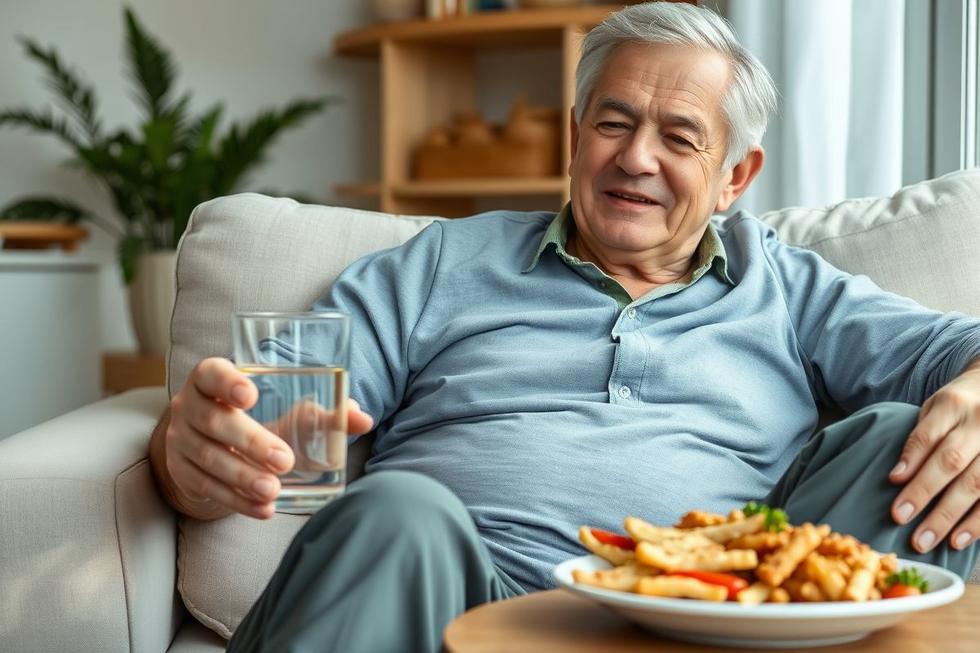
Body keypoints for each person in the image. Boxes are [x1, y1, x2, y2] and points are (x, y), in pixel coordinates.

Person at [149, 3, 980, 651]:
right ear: (576, 136)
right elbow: (270, 411)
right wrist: (195, 452)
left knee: (911, 439)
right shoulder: (445, 260)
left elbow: (958, 350)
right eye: (613, 123)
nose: (637, 158)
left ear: (735, 176)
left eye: (680, 137)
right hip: (463, 610)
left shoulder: (788, 285)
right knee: (395, 507)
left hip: (714, 622)